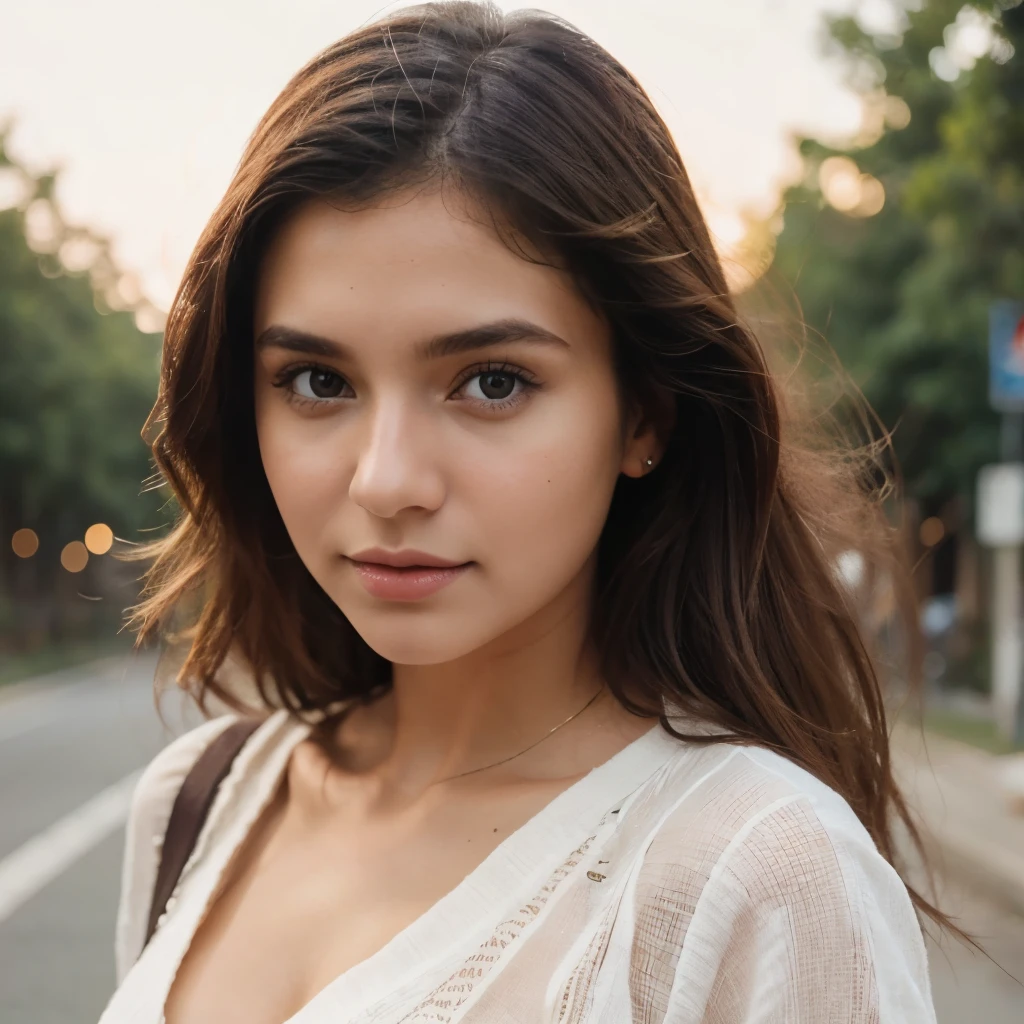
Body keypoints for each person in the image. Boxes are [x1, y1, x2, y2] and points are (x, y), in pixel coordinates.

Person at [99, 3, 950, 1022]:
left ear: (644, 411)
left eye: (491, 382)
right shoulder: (200, 803)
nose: (386, 480)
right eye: (318, 381)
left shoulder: (757, 875)